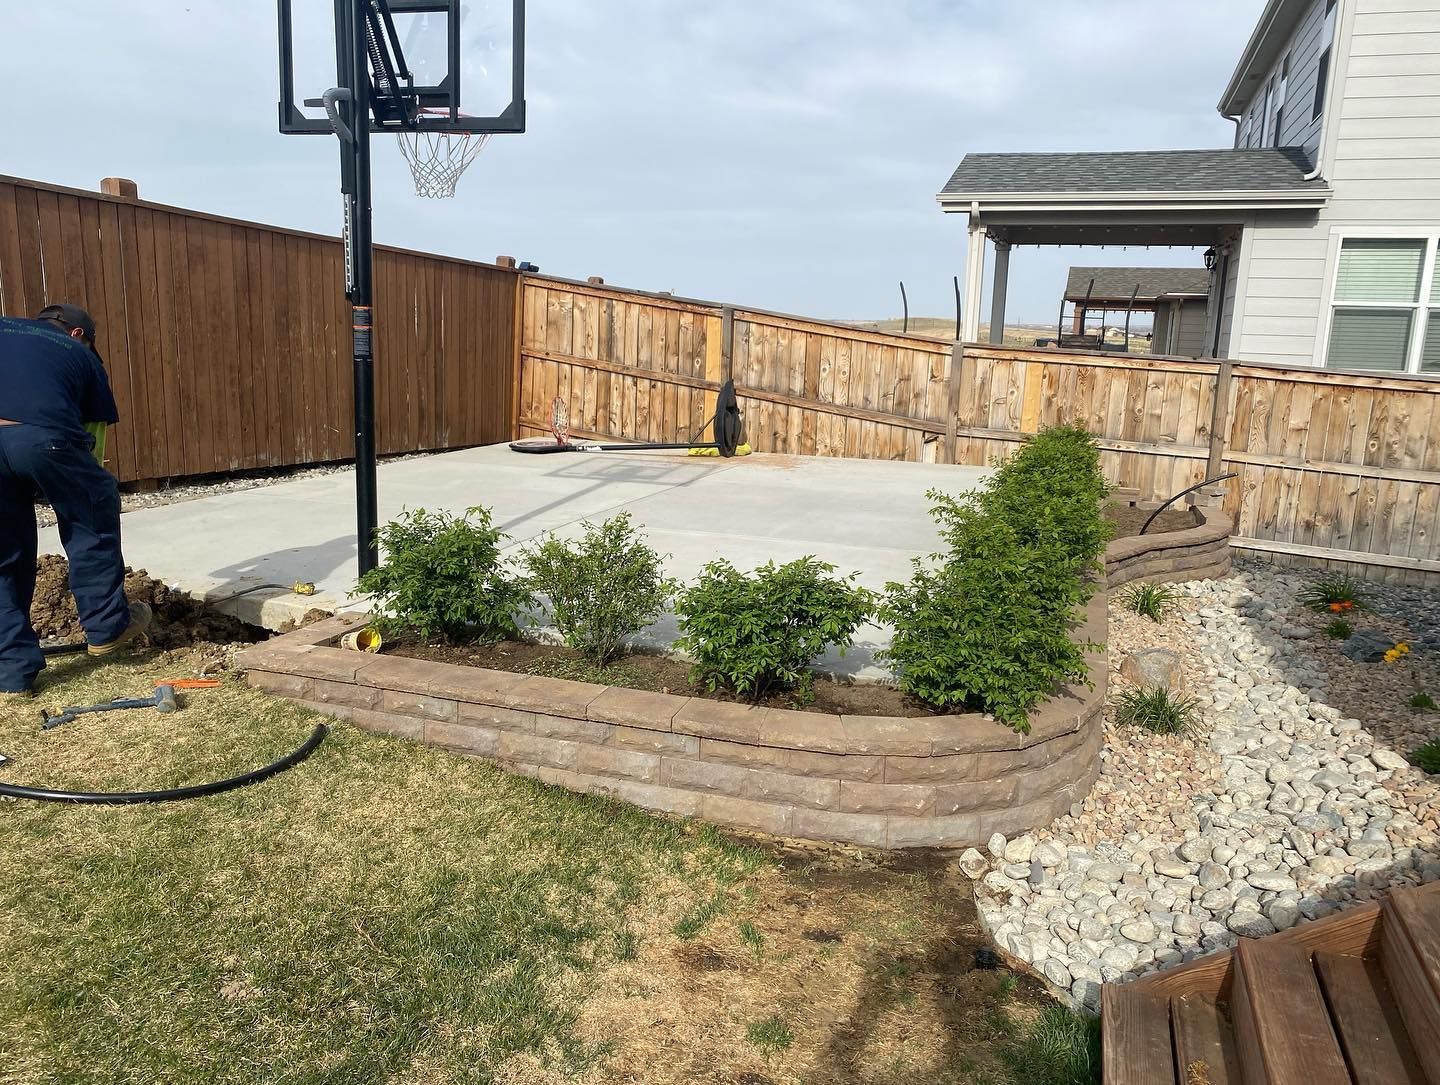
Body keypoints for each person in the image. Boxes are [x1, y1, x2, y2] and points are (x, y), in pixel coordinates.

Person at [0, 303, 150, 699]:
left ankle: (12, 671)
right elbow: (92, 437)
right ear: (78, 333)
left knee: (3, 550)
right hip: (43, 437)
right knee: (90, 511)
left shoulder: (4, 328)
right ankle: (106, 628)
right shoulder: (79, 354)